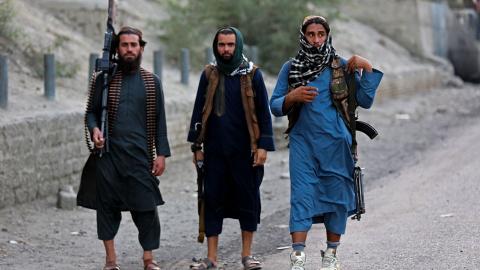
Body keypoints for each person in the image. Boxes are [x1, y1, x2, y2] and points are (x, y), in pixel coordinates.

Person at [269, 16, 383, 270]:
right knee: (302, 195)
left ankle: (331, 255)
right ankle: (298, 257)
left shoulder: (340, 66)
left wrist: (367, 66)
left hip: (336, 145)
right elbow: (275, 106)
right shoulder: (291, 68)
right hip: (303, 145)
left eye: (321, 34)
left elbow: (365, 100)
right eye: (311, 34)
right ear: (303, 36)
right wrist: (292, 96)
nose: (317, 39)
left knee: (337, 198)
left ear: (327, 35)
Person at [81, 26, 170, 270]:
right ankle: (111, 261)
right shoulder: (104, 80)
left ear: (141, 47)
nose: (129, 50)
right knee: (107, 208)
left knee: (146, 209)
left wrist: (161, 154)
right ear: (117, 49)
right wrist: (94, 130)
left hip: (140, 157)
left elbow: (160, 121)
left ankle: (148, 259)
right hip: (108, 155)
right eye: (124, 45)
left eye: (133, 45)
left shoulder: (152, 82)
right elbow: (91, 113)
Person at [187, 27, 275, 270]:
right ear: (216, 46)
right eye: (221, 45)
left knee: (248, 201)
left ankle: (247, 256)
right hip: (215, 152)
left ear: (239, 46)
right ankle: (211, 259)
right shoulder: (209, 74)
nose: (225, 50)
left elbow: (263, 114)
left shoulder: (252, 74)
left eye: (230, 45)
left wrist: (263, 146)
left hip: (245, 152)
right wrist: (197, 146)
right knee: (211, 200)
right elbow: (198, 111)